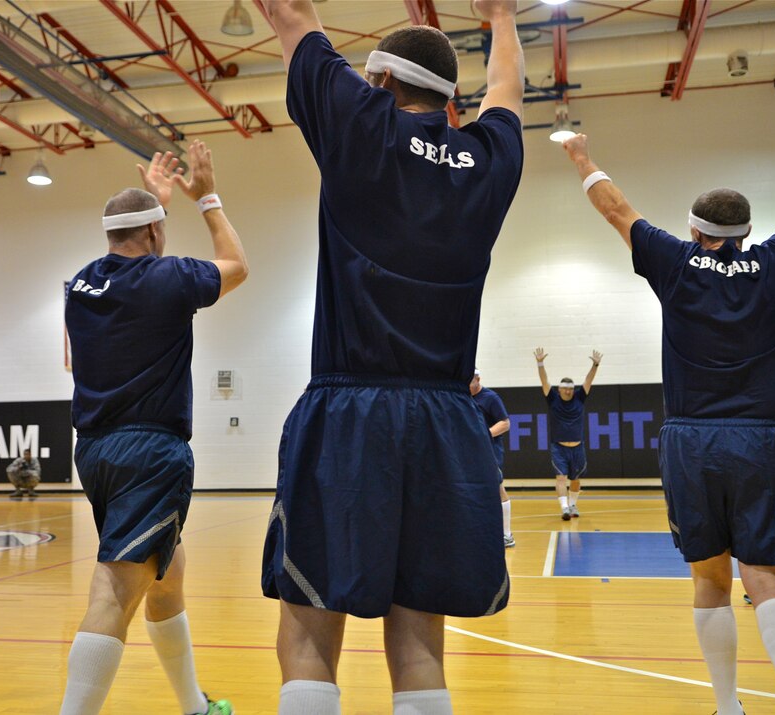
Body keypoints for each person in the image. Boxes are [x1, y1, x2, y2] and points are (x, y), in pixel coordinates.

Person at [259, 1, 524, 712]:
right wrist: (502, 17)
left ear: (378, 80)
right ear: (451, 102)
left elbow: (290, 14)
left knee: (308, 634)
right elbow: (508, 92)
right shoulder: (488, 160)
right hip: (446, 421)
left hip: (349, 411)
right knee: (420, 645)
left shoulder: (361, 123)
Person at [562, 122, 775, 715]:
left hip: (692, 441)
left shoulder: (675, 261)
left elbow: (615, 208)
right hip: (763, 439)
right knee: (768, 577)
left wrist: (582, 156)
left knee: (711, 581)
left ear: (694, 230)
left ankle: (729, 705)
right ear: (748, 232)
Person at [60, 140, 247, 715]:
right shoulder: (169, 277)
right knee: (113, 593)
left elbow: (71, 359)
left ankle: (193, 707)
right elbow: (236, 266)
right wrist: (206, 197)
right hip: (150, 452)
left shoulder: (79, 285)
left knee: (167, 578)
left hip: (95, 451)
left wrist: (156, 207)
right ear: (153, 232)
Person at [533, 347, 601, 520]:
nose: (568, 391)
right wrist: (540, 363)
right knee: (561, 478)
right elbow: (544, 380)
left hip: (578, 447)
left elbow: (588, 380)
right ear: (559, 389)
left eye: (570, 389)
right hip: (559, 447)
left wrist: (595, 365)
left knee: (575, 479)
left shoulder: (580, 397)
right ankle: (564, 508)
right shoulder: (552, 399)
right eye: (565, 389)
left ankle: (572, 505)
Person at [470, 369, 514, 547]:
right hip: (469, 451)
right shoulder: (461, 397)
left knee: (497, 488)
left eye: (470, 380)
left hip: (490, 450)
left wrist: (483, 435)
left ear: (478, 379)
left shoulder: (490, 398)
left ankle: (507, 534)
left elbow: (505, 423)